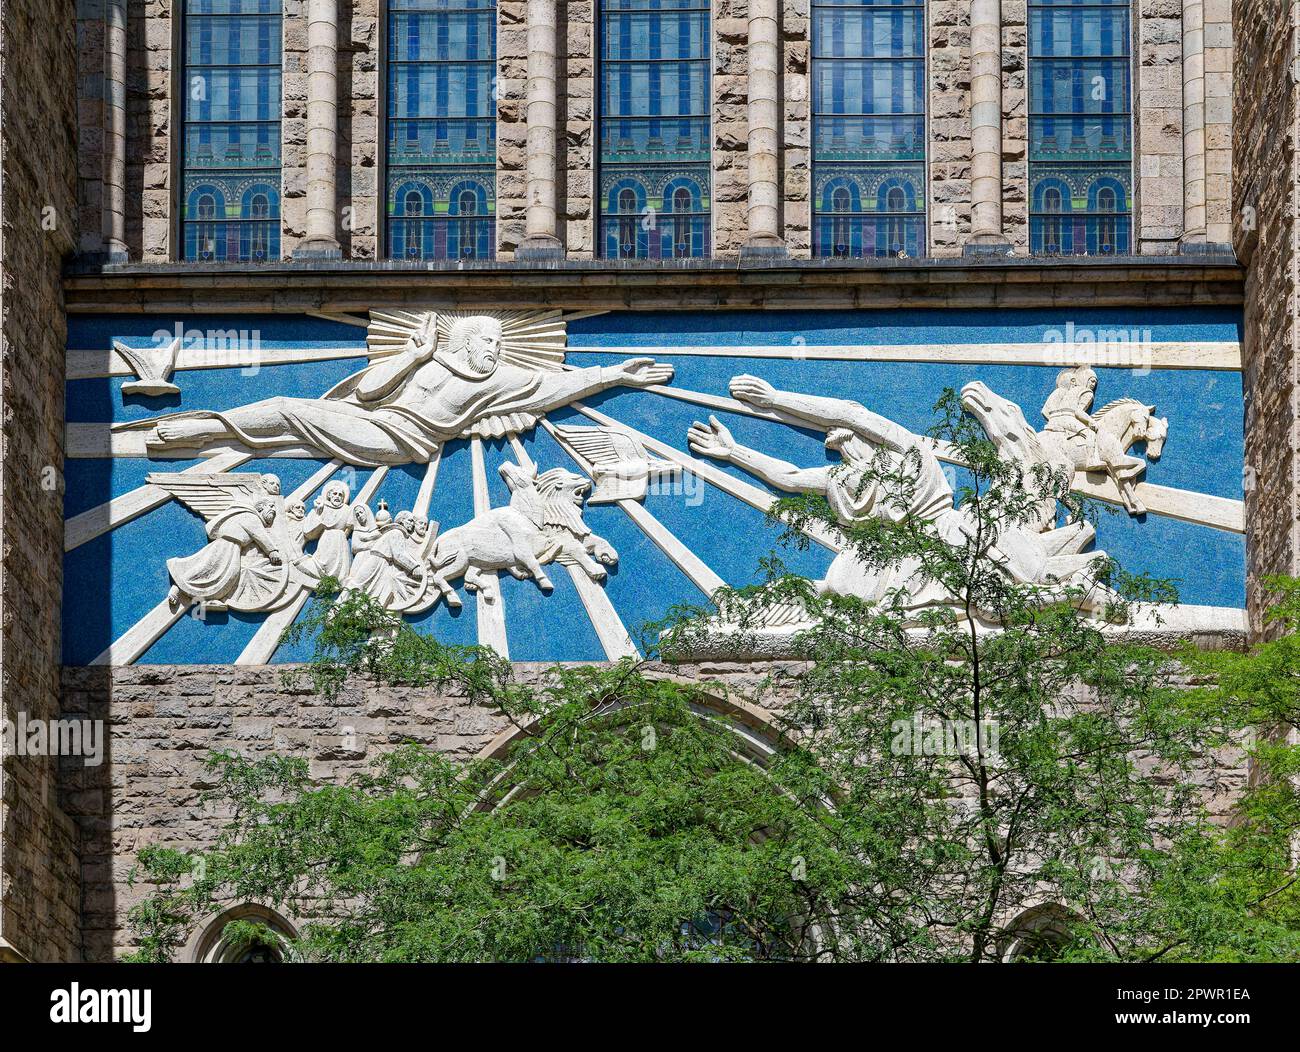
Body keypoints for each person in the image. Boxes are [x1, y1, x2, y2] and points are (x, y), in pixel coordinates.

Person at [122, 314, 674, 467]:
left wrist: (612, 375)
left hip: (401, 443)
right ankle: (191, 433)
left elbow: (556, 387)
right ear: (466, 338)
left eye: (501, 342)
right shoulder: (425, 361)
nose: (496, 350)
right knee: (281, 413)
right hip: (373, 420)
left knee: (285, 410)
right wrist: (413, 354)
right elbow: (367, 390)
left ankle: (192, 432)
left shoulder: (504, 382)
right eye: (490, 340)